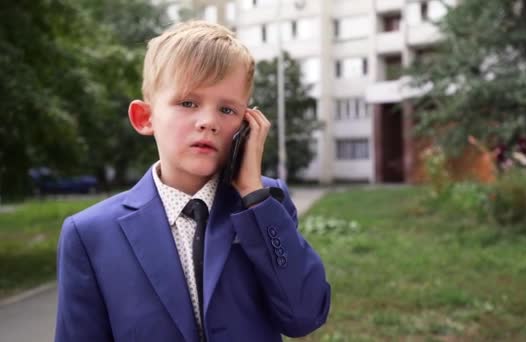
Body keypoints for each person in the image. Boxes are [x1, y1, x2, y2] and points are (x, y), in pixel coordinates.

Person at [55, 20, 331, 342]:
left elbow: (305, 316)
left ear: (247, 125)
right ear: (145, 118)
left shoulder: (266, 203)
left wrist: (254, 197)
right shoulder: (90, 234)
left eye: (227, 109)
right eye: (188, 103)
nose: (208, 122)